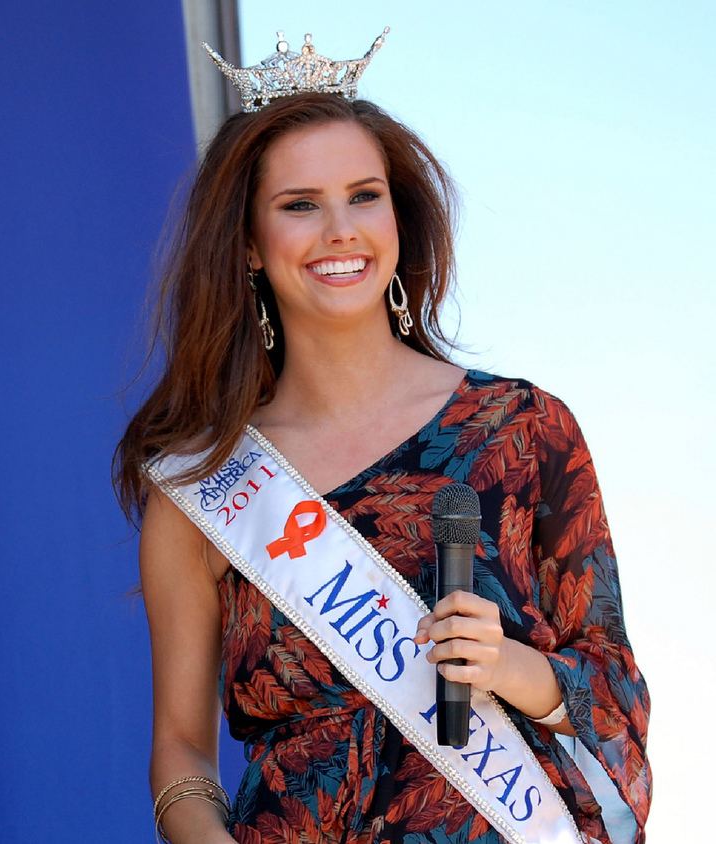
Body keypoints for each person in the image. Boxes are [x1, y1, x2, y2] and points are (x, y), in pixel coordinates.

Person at [114, 31, 651, 844]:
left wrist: (507, 666)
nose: (340, 230)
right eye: (300, 205)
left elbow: (616, 693)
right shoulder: (206, 486)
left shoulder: (526, 429)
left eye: (364, 195)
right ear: (250, 245)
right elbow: (181, 752)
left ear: (398, 216)